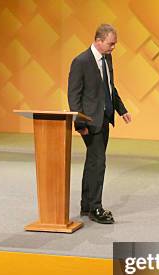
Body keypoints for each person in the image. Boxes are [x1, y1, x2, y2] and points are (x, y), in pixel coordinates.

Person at [68, 23, 132, 225]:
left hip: (104, 118)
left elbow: (109, 87)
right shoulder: (81, 61)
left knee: (93, 162)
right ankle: (95, 207)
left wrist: (121, 110)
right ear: (98, 41)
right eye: (111, 44)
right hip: (90, 122)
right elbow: (74, 96)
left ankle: (87, 205)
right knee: (99, 163)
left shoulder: (107, 58)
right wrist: (79, 123)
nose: (114, 48)